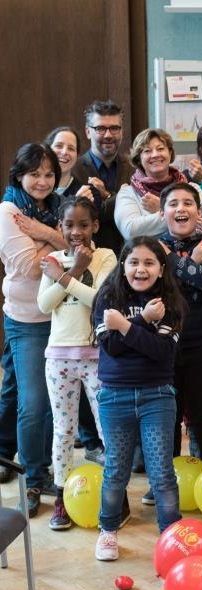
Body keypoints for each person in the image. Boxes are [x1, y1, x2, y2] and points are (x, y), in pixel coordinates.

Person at [91, 237, 186, 560]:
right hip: (114, 396)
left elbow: (161, 352)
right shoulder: (108, 297)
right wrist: (142, 321)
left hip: (157, 396)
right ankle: (107, 530)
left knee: (161, 472)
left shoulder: (170, 304)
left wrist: (124, 326)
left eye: (149, 263)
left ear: (161, 270)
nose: (140, 269)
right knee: (116, 469)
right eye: (133, 262)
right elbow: (112, 347)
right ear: (123, 265)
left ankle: (171, 533)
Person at [37, 197, 116, 530]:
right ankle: (61, 496)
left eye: (84, 224)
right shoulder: (52, 259)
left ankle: (114, 496)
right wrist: (70, 272)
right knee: (64, 430)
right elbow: (44, 304)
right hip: (59, 358)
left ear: (95, 226)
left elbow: (99, 299)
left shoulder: (106, 257)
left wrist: (70, 274)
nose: (76, 231)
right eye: (69, 225)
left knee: (107, 428)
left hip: (96, 357)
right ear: (61, 227)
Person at [0, 143, 67, 516]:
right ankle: (33, 478)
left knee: (59, 405)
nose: (42, 181)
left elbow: (78, 244)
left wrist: (45, 233)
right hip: (26, 320)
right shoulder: (7, 210)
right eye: (35, 174)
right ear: (19, 175)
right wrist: (57, 240)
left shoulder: (53, 208)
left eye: (48, 174)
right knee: (34, 403)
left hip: (63, 316)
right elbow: (28, 266)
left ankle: (56, 474)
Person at [159, 183, 202, 468]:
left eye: (188, 203)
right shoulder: (152, 247)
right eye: (173, 204)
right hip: (162, 342)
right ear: (163, 213)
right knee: (165, 414)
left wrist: (173, 262)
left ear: (199, 211)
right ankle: (164, 480)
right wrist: (193, 267)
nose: (181, 208)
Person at [114, 129, 202, 240]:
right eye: (147, 151)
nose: (155, 155)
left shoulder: (193, 189)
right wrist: (174, 215)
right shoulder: (128, 193)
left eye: (160, 149)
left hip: (193, 255)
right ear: (138, 158)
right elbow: (130, 231)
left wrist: (161, 209)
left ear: (170, 153)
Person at [71, 100, 131, 253]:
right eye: (100, 128)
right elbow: (83, 217)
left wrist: (106, 196)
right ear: (87, 132)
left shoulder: (134, 168)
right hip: (90, 258)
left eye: (115, 128)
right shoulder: (74, 169)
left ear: (122, 131)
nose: (108, 135)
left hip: (130, 258)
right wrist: (121, 198)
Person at [45, 127, 93, 200]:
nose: (64, 152)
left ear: (77, 155)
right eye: (59, 146)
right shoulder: (34, 186)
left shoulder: (86, 194)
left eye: (71, 148)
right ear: (48, 150)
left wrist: (81, 205)